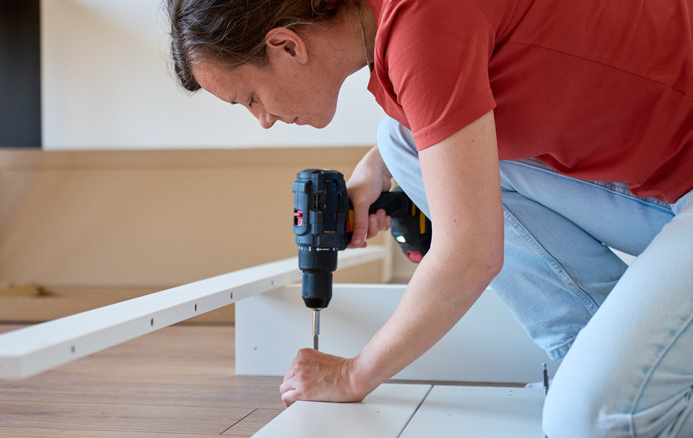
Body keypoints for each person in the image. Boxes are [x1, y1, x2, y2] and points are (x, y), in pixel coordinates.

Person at [166, 0, 693, 435]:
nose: (262, 121)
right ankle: (587, 349)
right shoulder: (400, 21)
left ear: (287, 45)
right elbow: (428, 121)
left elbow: (471, 256)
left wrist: (354, 375)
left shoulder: (422, 28)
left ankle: (626, 385)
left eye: (250, 98)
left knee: (595, 421)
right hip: (670, 181)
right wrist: (379, 169)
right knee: (401, 141)